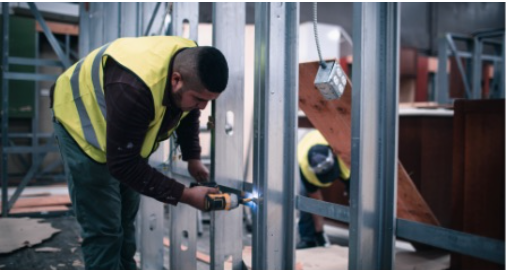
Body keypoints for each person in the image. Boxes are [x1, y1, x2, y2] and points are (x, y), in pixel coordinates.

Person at [50, 36, 229, 269]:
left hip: (124, 143)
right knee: (105, 231)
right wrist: (186, 195)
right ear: (176, 80)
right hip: (81, 131)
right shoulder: (133, 88)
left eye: (208, 101)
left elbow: (189, 112)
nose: (203, 107)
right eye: (199, 99)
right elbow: (122, 165)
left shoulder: (191, 64)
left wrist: (192, 157)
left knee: (124, 222)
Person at [296, 130, 350, 249]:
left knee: (357, 195)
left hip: (323, 139)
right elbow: (315, 200)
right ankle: (308, 238)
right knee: (306, 201)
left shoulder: (341, 152)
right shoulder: (305, 167)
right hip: (302, 143)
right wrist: (319, 232)